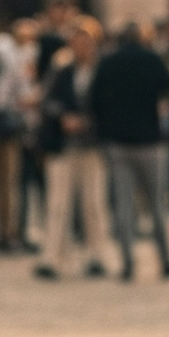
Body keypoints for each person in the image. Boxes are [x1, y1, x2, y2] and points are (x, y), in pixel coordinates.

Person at [91, 23, 169, 283]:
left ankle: (128, 262)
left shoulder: (107, 63)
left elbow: (94, 99)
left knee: (124, 205)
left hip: (118, 142)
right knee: (156, 204)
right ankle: (166, 261)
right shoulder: (151, 59)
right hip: (150, 140)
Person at [35, 16, 112, 279]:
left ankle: (97, 255)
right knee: (58, 204)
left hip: (92, 145)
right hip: (64, 145)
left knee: (94, 203)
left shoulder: (102, 70)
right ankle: (53, 257)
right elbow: (48, 101)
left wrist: (90, 121)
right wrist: (63, 117)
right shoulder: (62, 69)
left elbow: (110, 105)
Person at [0, 17, 37, 252]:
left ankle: (3, 230)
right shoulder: (7, 50)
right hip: (5, 120)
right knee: (7, 180)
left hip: (1, 119)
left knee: (3, 181)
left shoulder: (9, 49)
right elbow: (19, 87)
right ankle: (7, 231)